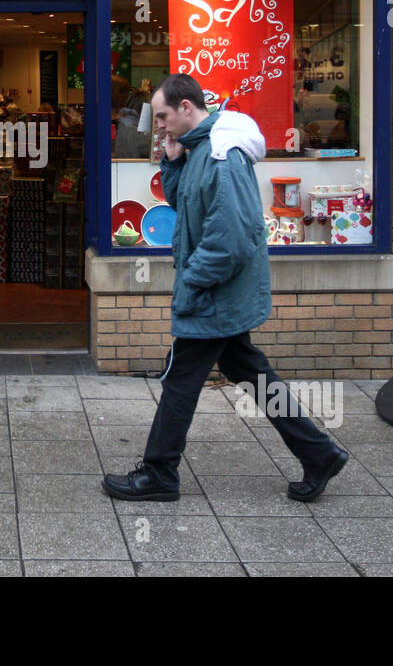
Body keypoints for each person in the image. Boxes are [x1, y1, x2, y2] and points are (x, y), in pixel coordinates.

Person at [101, 73, 348, 503]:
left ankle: (160, 473)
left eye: (162, 116)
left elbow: (232, 237)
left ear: (185, 108)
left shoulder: (221, 156)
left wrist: (191, 283)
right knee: (250, 373)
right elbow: (185, 204)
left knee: (180, 380)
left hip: (216, 293)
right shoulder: (197, 151)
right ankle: (318, 452)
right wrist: (173, 161)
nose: (157, 125)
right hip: (223, 294)